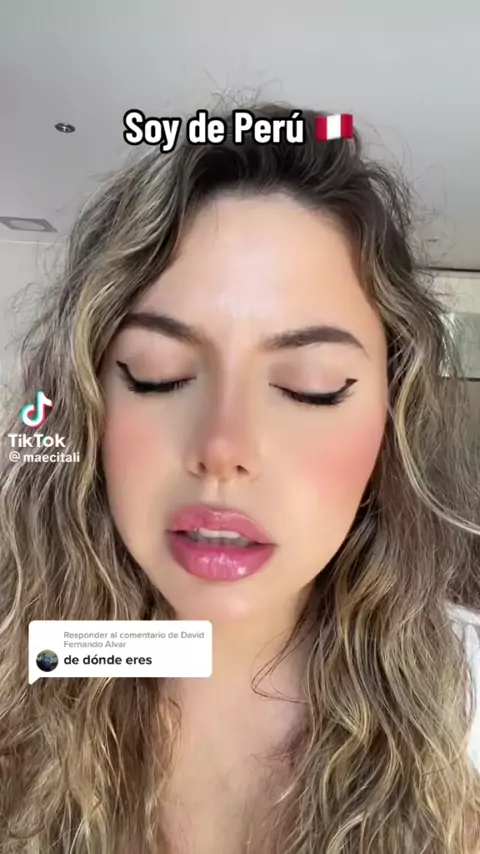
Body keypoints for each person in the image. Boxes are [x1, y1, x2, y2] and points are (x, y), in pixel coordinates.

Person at [0, 103, 479, 854]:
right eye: (156, 374)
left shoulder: (466, 703)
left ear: (390, 422)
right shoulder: (38, 655)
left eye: (311, 386)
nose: (223, 448)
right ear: (89, 401)